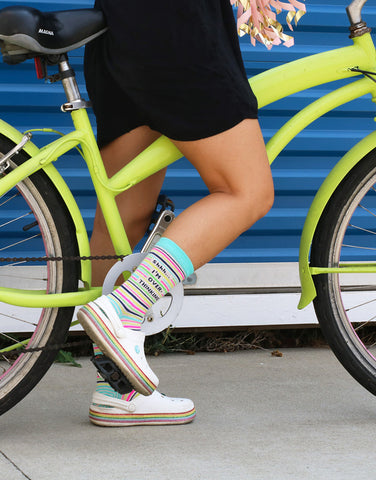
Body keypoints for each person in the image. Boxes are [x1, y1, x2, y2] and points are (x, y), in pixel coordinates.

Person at [78, 0, 305, 427]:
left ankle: (118, 390)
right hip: (178, 27)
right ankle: (125, 309)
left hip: (123, 27)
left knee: (122, 216)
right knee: (247, 192)